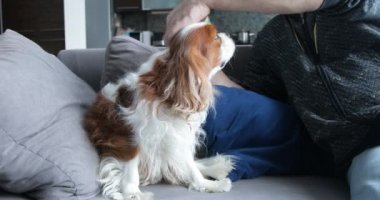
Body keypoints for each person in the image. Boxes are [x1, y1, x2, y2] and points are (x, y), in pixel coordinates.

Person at [164, 0, 380, 200]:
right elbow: (252, 101)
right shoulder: (272, 37)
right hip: (348, 154)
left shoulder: (357, 4)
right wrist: (202, 62)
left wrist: (202, 1)